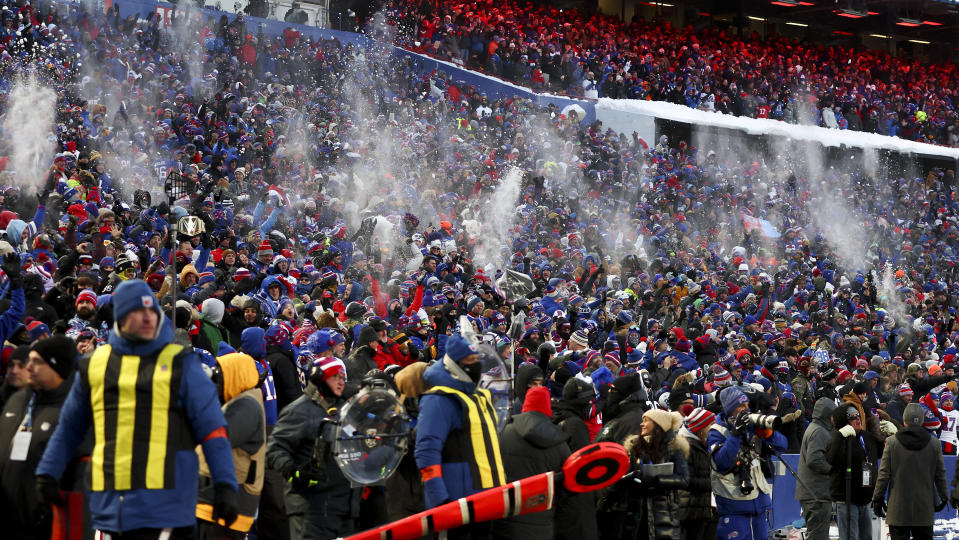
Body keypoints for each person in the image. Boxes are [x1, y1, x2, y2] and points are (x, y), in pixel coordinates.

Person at [35, 279, 239, 539]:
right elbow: (70, 427)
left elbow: (213, 430)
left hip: (167, 507)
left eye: (150, 311)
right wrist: (47, 472)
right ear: (120, 318)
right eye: (137, 312)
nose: (146, 319)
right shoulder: (94, 364)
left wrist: (225, 484)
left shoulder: (181, 364)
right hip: (109, 506)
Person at [415, 333, 505, 539]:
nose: (476, 366)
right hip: (458, 505)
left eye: (477, 360)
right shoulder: (439, 399)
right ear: (455, 364)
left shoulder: (480, 395)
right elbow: (427, 451)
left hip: (488, 499)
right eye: (469, 361)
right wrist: (440, 501)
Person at [266, 355, 358, 539]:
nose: (341, 383)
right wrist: (294, 471)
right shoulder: (299, 411)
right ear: (320, 379)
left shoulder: (343, 409)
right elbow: (274, 449)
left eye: (342, 378)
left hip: (344, 507)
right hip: (311, 508)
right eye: (335, 378)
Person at [0, 336, 78, 539]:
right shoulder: (17, 401)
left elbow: (77, 482)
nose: (29, 367)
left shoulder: (73, 412)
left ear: (56, 368)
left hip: (47, 528)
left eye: (37, 362)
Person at [196, 352, 266, 540]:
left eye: (221, 375)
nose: (217, 381)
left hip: (224, 506)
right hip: (215, 502)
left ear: (236, 375)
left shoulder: (247, 406)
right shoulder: (241, 400)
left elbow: (217, 438)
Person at [708, 386, 787, 540]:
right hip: (733, 504)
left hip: (759, 503)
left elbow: (782, 445)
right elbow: (722, 462)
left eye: (747, 405)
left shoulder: (751, 426)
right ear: (731, 409)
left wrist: (767, 434)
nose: (747, 409)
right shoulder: (717, 431)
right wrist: (736, 434)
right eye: (741, 406)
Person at [598, 408, 689, 539]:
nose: (641, 424)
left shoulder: (674, 449)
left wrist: (657, 480)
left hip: (663, 515)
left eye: (646, 421)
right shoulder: (636, 447)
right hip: (636, 515)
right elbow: (626, 475)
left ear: (659, 425)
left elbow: (684, 479)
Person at [494, 386, 570, 538]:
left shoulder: (504, 433)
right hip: (541, 526)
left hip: (504, 521)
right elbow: (567, 488)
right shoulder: (559, 444)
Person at [874, 402, 948, 540]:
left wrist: (877, 498)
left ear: (904, 419)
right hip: (924, 509)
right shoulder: (934, 443)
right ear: (922, 419)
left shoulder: (892, 442)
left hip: (898, 510)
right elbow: (940, 474)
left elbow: (883, 475)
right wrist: (943, 497)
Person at [826, 403, 883, 540]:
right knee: (851, 537)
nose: (858, 420)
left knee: (866, 536)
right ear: (844, 421)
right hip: (847, 499)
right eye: (852, 417)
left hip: (865, 498)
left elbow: (879, 452)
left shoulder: (866, 436)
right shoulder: (838, 437)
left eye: (858, 416)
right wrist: (840, 436)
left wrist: (884, 434)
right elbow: (832, 459)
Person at [795, 398, 837, 540]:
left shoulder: (815, 428)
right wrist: (834, 470)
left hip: (814, 492)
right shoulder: (819, 431)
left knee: (817, 534)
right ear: (827, 415)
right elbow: (814, 460)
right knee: (818, 536)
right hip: (816, 494)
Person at [678, 408, 718, 540]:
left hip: (702, 508)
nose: (714, 428)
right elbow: (686, 480)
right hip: (690, 511)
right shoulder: (687, 447)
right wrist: (714, 484)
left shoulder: (701, 445)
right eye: (711, 425)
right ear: (700, 427)